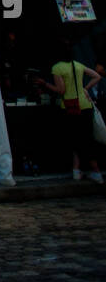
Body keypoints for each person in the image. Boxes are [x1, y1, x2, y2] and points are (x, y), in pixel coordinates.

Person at [37, 42, 103, 183]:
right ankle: (77, 169)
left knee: (78, 139)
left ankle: (94, 171)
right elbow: (97, 76)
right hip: (85, 105)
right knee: (83, 138)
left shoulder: (57, 68)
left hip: (70, 105)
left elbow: (61, 90)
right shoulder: (78, 65)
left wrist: (45, 84)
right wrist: (85, 88)